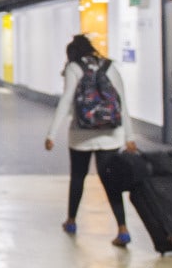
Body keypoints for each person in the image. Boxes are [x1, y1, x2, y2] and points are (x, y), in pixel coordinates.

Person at [45, 34, 140, 247]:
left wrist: (52, 134)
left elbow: (66, 100)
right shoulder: (109, 66)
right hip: (110, 136)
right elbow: (122, 103)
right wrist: (130, 137)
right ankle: (122, 229)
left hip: (81, 135)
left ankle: (71, 221)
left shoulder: (73, 68)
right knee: (110, 181)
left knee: (78, 178)